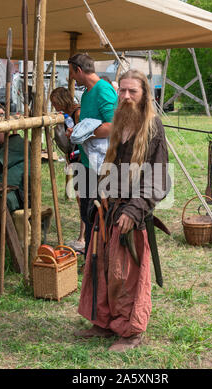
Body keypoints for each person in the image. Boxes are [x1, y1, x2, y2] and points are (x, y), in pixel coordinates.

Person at [74, 69, 170, 352]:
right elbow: (111, 166)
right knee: (100, 265)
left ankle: (130, 331)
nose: (126, 96)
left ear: (144, 96)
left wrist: (135, 208)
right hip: (108, 209)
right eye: (123, 91)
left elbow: (158, 177)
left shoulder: (152, 127)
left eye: (133, 92)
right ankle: (104, 322)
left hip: (131, 214)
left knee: (125, 274)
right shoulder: (118, 121)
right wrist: (99, 193)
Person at [68, 53, 118, 258]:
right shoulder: (87, 94)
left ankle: (101, 259)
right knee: (87, 213)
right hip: (88, 163)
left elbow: (113, 126)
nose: (71, 77)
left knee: (99, 215)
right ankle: (91, 259)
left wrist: (84, 133)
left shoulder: (103, 90)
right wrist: (78, 132)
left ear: (79, 70)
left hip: (103, 165)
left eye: (71, 72)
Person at [50, 87, 85, 252]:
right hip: (75, 159)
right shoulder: (66, 114)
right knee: (81, 200)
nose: (54, 105)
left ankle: (83, 237)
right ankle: (83, 236)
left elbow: (81, 139)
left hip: (82, 160)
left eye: (55, 102)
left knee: (83, 200)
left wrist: (76, 157)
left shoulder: (77, 113)